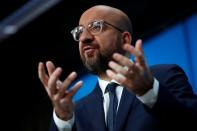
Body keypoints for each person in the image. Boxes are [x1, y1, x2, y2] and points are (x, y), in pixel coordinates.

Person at [38, 5, 197, 131]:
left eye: (96, 26)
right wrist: (62, 120)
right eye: (79, 31)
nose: (84, 38)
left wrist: (150, 93)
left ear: (125, 39)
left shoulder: (164, 76)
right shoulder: (76, 112)